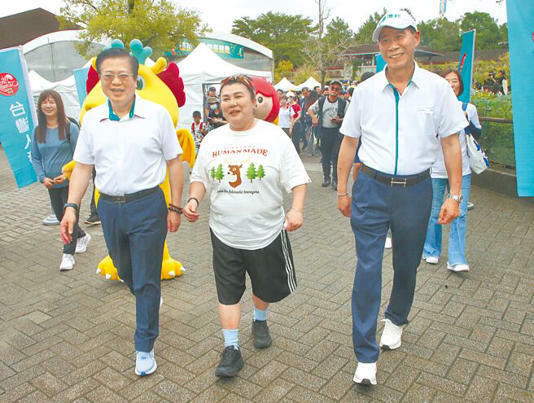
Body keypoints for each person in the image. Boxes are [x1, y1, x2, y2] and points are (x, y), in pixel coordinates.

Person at [336, 10, 466, 385]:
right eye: (385, 39)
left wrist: (454, 195)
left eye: (399, 37)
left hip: (416, 190)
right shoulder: (364, 91)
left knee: (407, 264)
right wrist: (343, 189)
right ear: (379, 47)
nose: (392, 45)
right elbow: (349, 141)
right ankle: (365, 354)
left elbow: (451, 142)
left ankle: (396, 318)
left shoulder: (438, 89)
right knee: (368, 267)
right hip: (371, 189)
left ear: (415, 38)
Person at [59, 47, 184, 377]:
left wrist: (175, 206)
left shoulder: (156, 115)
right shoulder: (92, 119)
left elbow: (174, 161)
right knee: (126, 268)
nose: (116, 82)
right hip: (109, 208)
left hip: (148, 205)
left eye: (123, 75)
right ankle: (146, 294)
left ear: (135, 78)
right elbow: (84, 167)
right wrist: (71, 206)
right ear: (101, 80)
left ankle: (144, 344)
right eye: (108, 76)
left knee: (145, 277)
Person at [183, 74, 310, 378]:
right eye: (225, 98)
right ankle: (231, 349)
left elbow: (298, 179)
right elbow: (200, 177)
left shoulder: (274, 136)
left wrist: (296, 210)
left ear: (254, 102)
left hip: (266, 231)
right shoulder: (213, 139)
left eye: (238, 96)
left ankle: (260, 319)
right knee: (227, 291)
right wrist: (193, 201)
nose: (232, 103)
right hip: (223, 231)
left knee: (263, 285)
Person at [423, 69, 481, 271]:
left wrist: (465, 120)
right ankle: (430, 250)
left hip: (461, 169)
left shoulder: (468, 107)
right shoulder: (431, 108)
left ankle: (456, 258)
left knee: (460, 213)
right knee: (433, 210)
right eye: (446, 81)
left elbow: (478, 133)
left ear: (460, 85)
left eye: (454, 81)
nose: (450, 84)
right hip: (436, 167)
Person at [31, 89, 91, 271]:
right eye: (44, 102)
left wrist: (66, 175)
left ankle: (67, 255)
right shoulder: (38, 131)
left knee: (68, 217)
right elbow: (35, 157)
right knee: (60, 216)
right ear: (40, 106)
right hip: (51, 184)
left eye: (52, 102)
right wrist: (42, 177)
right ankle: (82, 236)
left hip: (71, 183)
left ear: (59, 105)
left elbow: (81, 157)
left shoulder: (69, 128)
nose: (48, 105)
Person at [308, 80, 348, 190]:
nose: (334, 90)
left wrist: (339, 119)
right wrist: (314, 118)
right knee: (325, 156)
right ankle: (326, 178)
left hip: (337, 133)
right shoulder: (321, 101)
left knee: (335, 157)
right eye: (332, 88)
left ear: (339, 91)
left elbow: (349, 117)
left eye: (337, 89)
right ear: (328, 89)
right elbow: (310, 109)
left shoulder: (343, 103)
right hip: (324, 132)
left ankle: (335, 180)